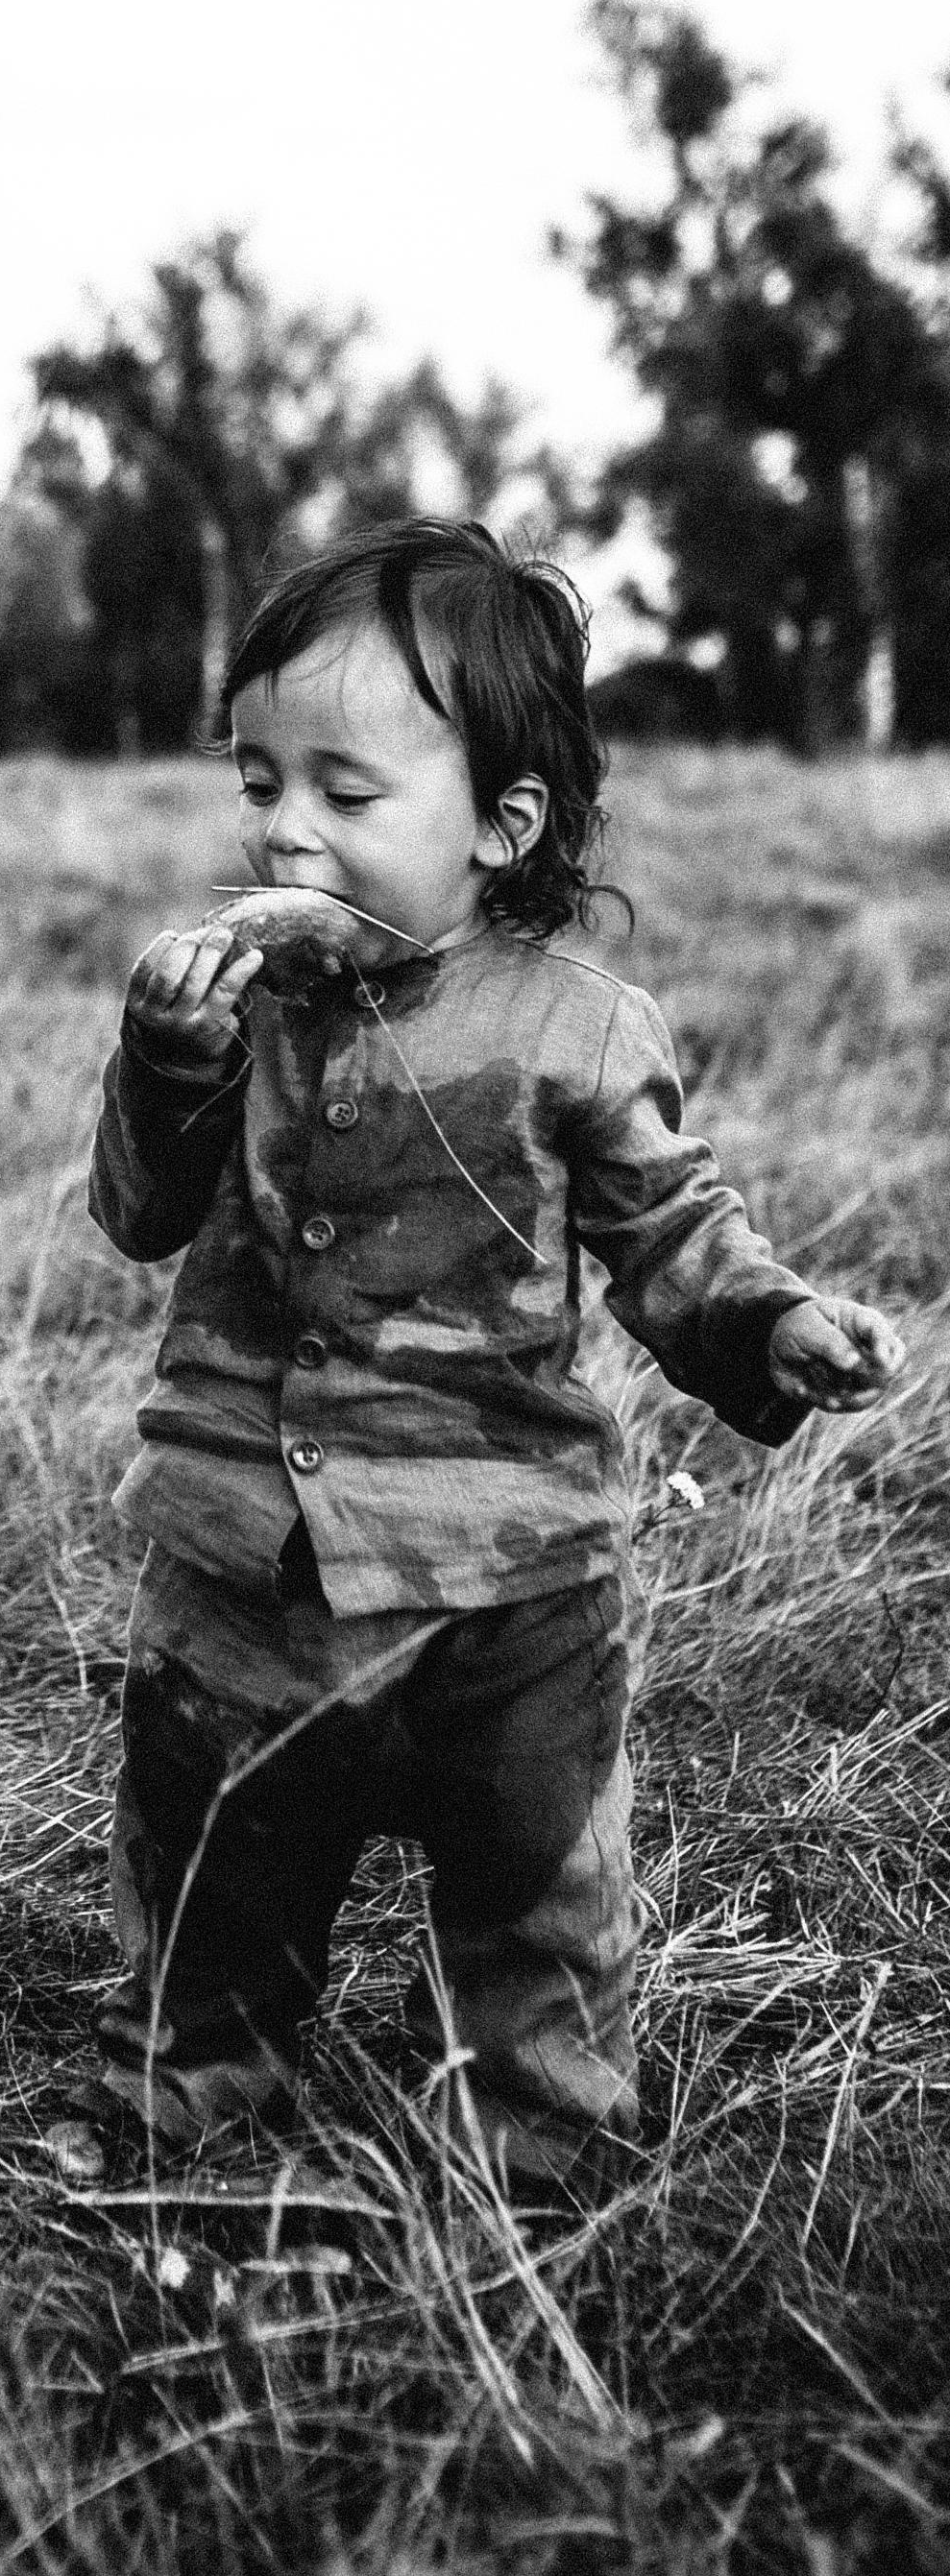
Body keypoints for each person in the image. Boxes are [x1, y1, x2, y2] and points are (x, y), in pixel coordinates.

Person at [78, 518, 904, 2199]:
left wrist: (765, 1321)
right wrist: (163, 1068)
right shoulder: (236, 1008)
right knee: (215, 1841)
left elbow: (670, 1229)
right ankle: (190, 2091)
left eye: (345, 792)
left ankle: (525, 2137)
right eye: (257, 780)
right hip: (251, 1544)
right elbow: (142, 1214)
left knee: (531, 1873)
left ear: (500, 825)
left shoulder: (577, 1024)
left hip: (508, 1561)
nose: (283, 828)